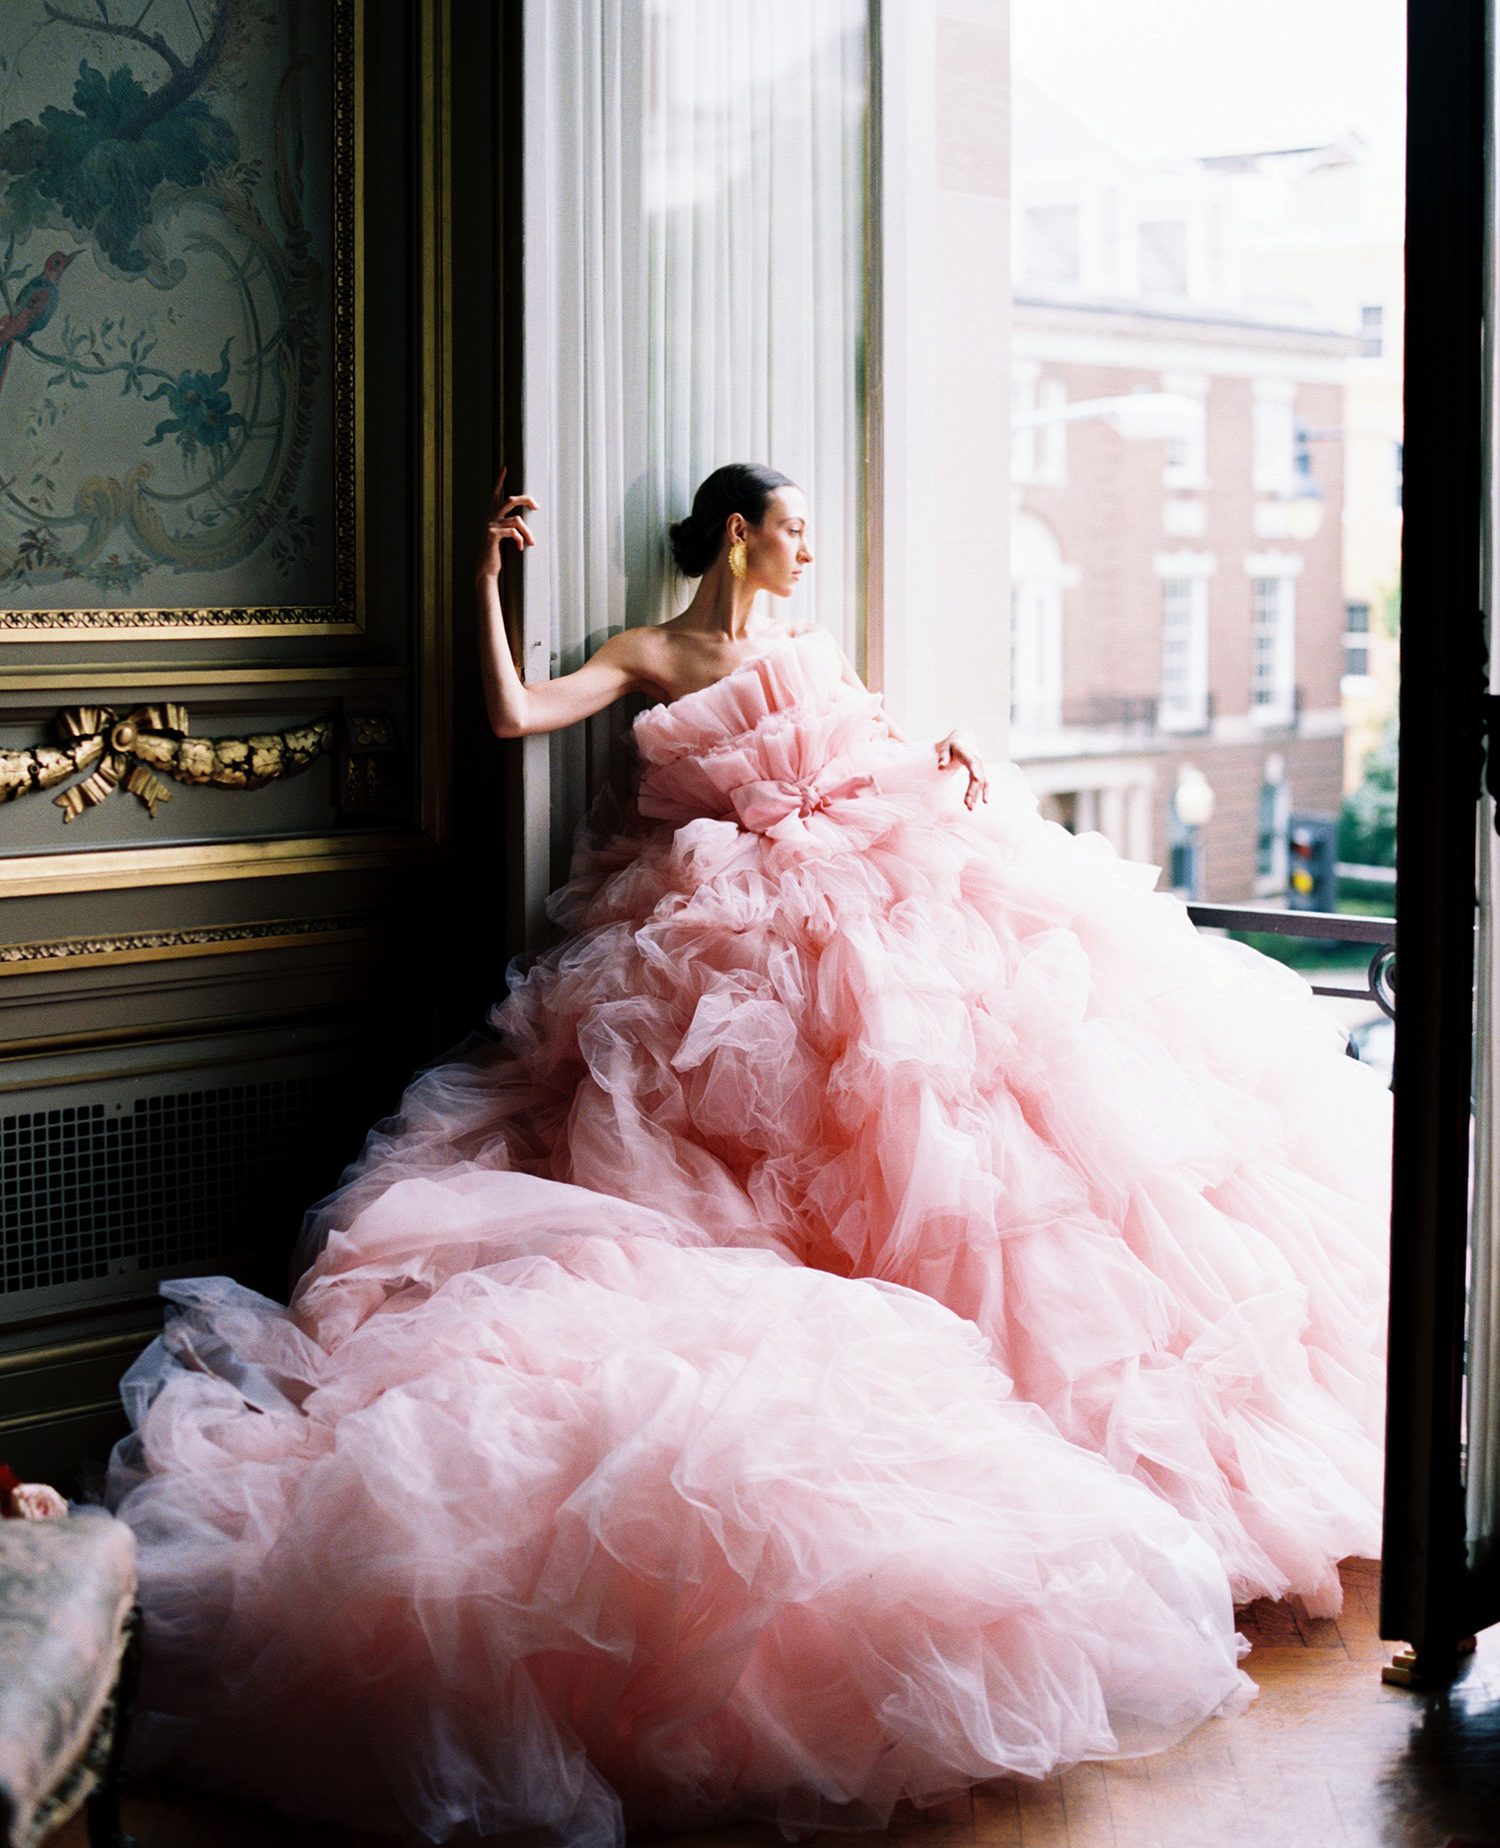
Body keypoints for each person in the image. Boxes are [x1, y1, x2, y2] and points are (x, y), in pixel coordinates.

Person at [108, 463, 1389, 1847]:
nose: (808, 555)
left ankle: (1053, 1442)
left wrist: (936, 760)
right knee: (758, 1166)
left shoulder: (805, 647)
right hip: (725, 933)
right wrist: (483, 583)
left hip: (868, 898)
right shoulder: (656, 653)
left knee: (975, 1144)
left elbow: (875, 745)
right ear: (737, 535)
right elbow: (511, 713)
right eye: (793, 532)